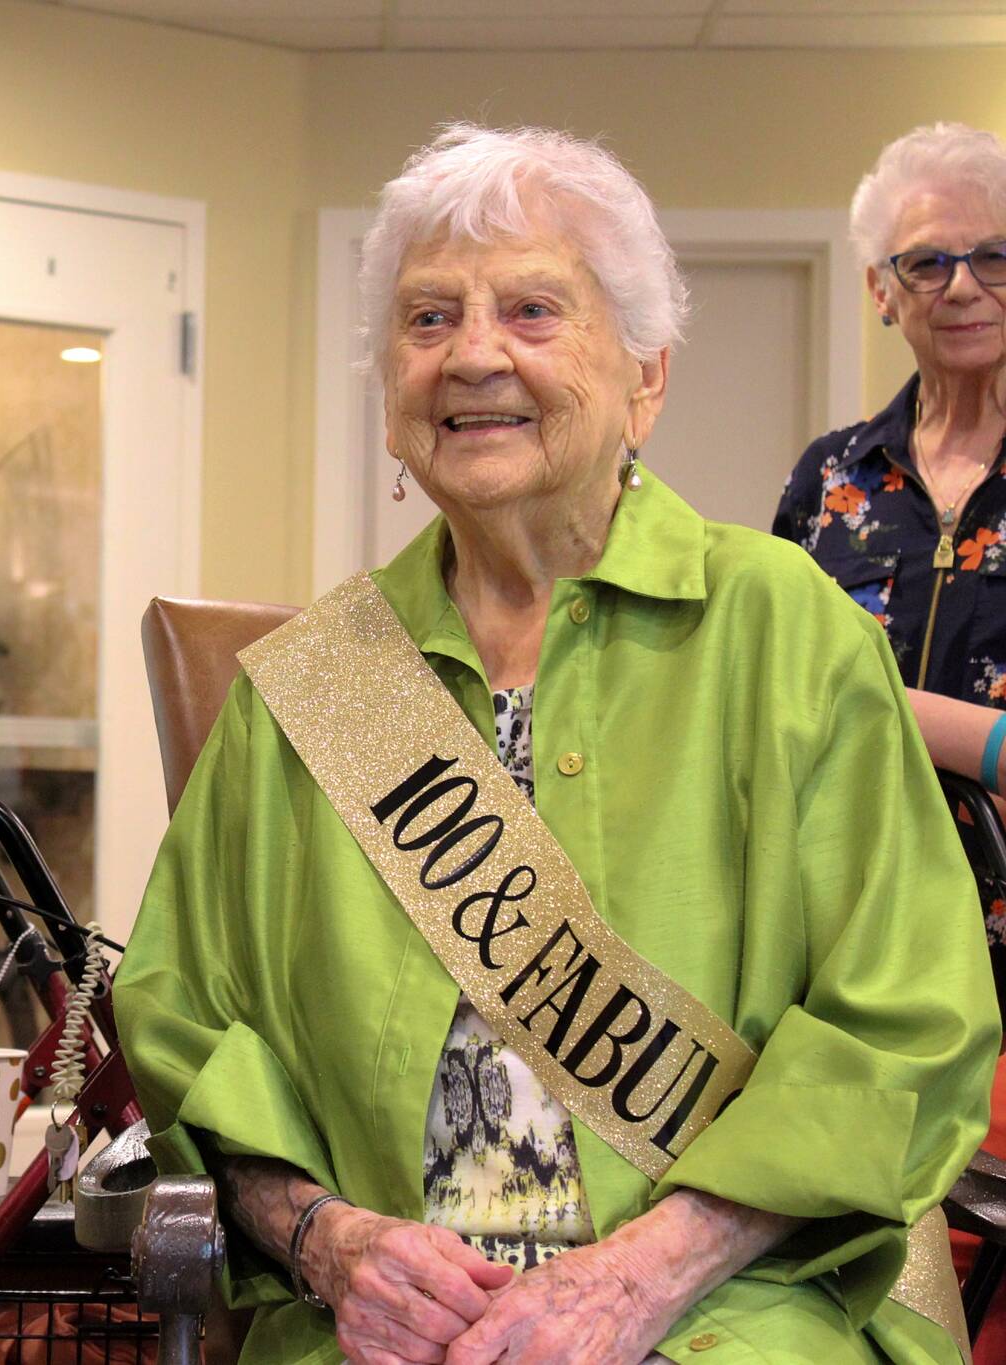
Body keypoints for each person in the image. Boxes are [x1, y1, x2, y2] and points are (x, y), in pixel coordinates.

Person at [116, 124, 999, 1365]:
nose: (472, 353)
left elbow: (907, 1022)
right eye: (427, 321)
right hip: (370, 1333)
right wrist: (326, 1242)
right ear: (389, 396)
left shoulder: (784, 633)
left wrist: (640, 1276)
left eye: (532, 310)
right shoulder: (311, 687)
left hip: (720, 1313)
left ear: (646, 376)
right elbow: (180, 1035)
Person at [774, 120, 1006, 1362]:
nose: (962, 285)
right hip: (845, 938)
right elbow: (762, 686)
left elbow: (825, 680)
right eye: (926, 262)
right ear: (879, 292)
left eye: (993, 255)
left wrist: (925, 721)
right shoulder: (825, 483)